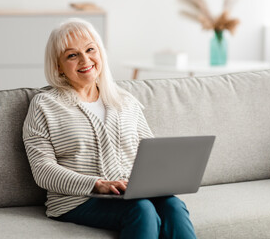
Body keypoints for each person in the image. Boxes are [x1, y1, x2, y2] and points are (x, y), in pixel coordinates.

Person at [22, 18, 197, 239]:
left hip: (130, 194)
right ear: (58, 65)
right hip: (77, 200)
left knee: (173, 205)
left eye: (90, 49)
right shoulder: (44, 105)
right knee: (141, 209)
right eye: (72, 55)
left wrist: (165, 176)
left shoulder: (125, 100)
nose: (85, 60)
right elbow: (43, 170)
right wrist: (97, 185)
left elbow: (150, 153)